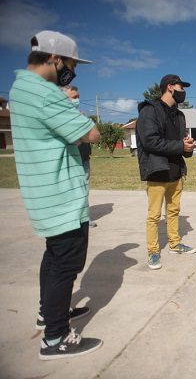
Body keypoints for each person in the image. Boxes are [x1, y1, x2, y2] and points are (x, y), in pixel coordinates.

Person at [9, 30, 102, 360]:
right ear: (55, 59)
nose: (73, 72)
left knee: (53, 260)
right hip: (60, 194)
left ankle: (48, 313)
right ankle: (55, 339)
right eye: (72, 64)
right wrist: (74, 113)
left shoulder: (20, 87)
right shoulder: (46, 95)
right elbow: (91, 133)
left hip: (43, 193)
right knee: (66, 263)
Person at [136, 74, 196, 270]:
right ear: (170, 87)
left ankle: (175, 244)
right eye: (181, 87)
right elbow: (150, 142)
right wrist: (180, 146)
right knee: (154, 216)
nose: (183, 92)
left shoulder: (180, 115)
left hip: (176, 172)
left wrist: (188, 147)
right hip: (157, 172)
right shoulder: (149, 111)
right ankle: (153, 252)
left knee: (174, 211)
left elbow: (181, 144)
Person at [62, 85, 97, 228]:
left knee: (84, 190)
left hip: (84, 158)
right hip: (69, 161)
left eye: (78, 97)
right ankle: (71, 220)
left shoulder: (81, 115)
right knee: (70, 191)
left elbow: (93, 135)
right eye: (74, 97)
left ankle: (84, 218)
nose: (77, 100)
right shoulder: (61, 117)